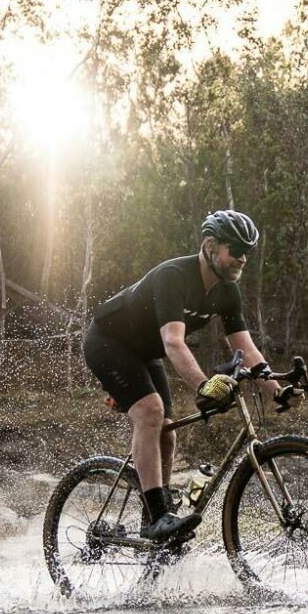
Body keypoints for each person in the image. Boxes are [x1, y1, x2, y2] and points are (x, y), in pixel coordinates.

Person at [83, 209, 269, 541]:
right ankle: (159, 518)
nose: (242, 258)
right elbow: (173, 341)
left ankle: (155, 521)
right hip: (108, 342)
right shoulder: (174, 276)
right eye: (236, 250)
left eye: (247, 252)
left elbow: (247, 348)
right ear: (210, 245)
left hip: (144, 353)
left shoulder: (227, 291)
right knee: (150, 412)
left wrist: (277, 388)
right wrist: (204, 384)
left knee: (167, 432)